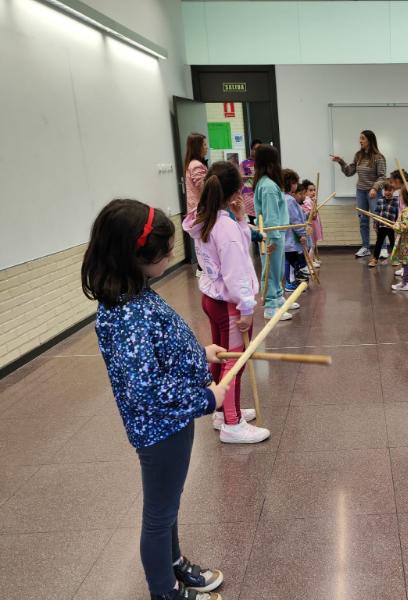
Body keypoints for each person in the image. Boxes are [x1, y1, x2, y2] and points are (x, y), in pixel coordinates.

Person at [82, 199, 227, 600]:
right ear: (137, 256)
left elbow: (161, 351)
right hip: (159, 430)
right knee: (159, 515)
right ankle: (164, 592)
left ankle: (173, 562)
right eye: (165, 251)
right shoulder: (126, 315)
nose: (171, 255)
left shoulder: (136, 293)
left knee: (170, 502)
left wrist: (200, 353)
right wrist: (206, 399)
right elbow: (145, 389)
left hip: (172, 422)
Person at [183, 161, 270, 444]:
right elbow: (236, 270)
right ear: (234, 192)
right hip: (230, 305)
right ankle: (232, 423)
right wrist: (246, 307)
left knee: (223, 358)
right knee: (234, 363)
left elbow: (238, 249)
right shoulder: (224, 227)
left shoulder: (203, 218)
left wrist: (241, 219)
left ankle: (222, 411)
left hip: (213, 299)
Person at [253, 144, 297, 321]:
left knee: (277, 270)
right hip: (272, 235)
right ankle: (271, 306)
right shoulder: (268, 186)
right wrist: (271, 238)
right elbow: (270, 217)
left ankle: (278, 298)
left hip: (276, 234)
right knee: (271, 271)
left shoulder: (267, 184)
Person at [331, 129, 386, 258]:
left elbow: (382, 177)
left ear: (369, 140)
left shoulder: (379, 157)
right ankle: (365, 247)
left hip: (374, 193)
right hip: (361, 192)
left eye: (362, 138)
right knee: (363, 220)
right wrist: (341, 161)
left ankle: (383, 248)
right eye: (360, 138)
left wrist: (375, 188)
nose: (360, 141)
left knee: (378, 221)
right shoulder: (358, 155)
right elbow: (349, 172)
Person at [184, 132, 208, 277]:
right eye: (204, 144)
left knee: (201, 242)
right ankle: (202, 269)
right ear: (197, 147)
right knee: (203, 242)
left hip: (197, 209)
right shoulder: (196, 165)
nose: (206, 147)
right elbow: (204, 188)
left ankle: (202, 268)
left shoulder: (192, 164)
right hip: (200, 209)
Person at [282, 169, 309, 292]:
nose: (296, 185)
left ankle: (292, 281)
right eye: (295, 182)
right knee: (291, 261)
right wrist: (302, 234)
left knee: (291, 260)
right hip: (291, 237)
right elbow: (295, 219)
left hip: (287, 236)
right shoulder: (289, 200)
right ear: (290, 183)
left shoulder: (283, 197)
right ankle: (290, 283)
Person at [368, 181, 399, 267]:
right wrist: (375, 224)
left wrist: (397, 224)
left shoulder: (396, 201)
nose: (387, 192)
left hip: (391, 227)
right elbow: (377, 213)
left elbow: (398, 214)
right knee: (378, 243)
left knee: (393, 243)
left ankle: (394, 259)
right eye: (386, 190)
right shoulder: (380, 200)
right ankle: (375, 259)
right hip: (381, 226)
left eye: (390, 190)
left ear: (393, 191)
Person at [299, 179, 323, 269]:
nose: (313, 192)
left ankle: (312, 259)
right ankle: (310, 262)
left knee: (313, 243)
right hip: (311, 225)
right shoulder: (307, 201)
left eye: (314, 190)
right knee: (311, 244)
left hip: (314, 225)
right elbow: (313, 215)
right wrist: (314, 204)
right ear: (305, 192)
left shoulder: (310, 200)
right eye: (310, 190)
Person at [240, 138, 261, 224]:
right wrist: (250, 176)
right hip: (248, 197)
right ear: (251, 150)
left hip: (260, 195)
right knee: (251, 223)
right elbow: (240, 178)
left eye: (259, 149)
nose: (257, 151)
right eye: (255, 149)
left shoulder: (263, 164)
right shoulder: (244, 163)